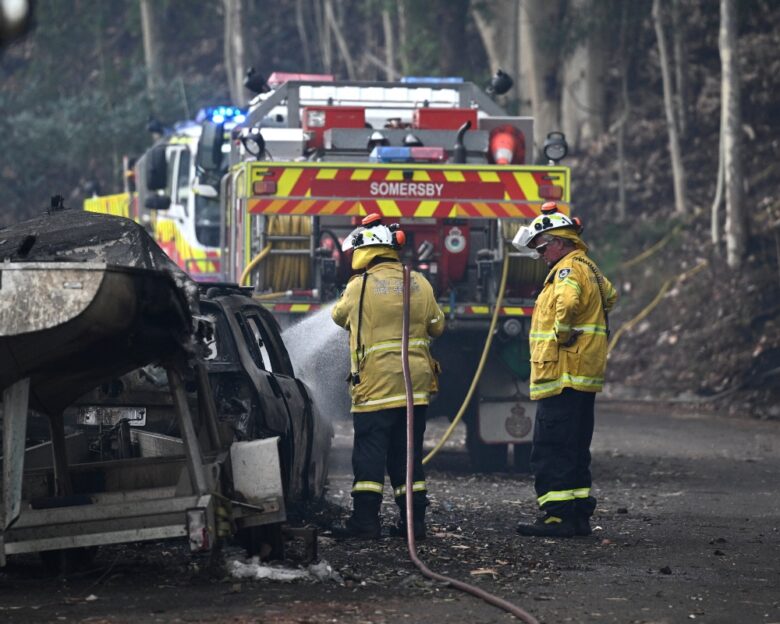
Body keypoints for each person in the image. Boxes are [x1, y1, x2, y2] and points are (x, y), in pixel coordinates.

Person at [330, 213, 444, 540]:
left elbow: (338, 317)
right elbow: (438, 325)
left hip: (376, 387)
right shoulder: (419, 282)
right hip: (415, 388)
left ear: (366, 250)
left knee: (369, 455)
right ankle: (414, 523)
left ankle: (365, 522)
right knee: (407, 455)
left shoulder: (359, 287)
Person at [511, 202, 617, 537]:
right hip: (580, 376)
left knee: (550, 448)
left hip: (562, 374)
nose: (541, 254)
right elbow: (610, 297)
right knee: (574, 447)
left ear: (560, 241)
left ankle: (557, 516)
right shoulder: (590, 267)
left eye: (543, 247)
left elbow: (568, 303)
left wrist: (563, 330)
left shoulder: (567, 271)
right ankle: (577, 516)